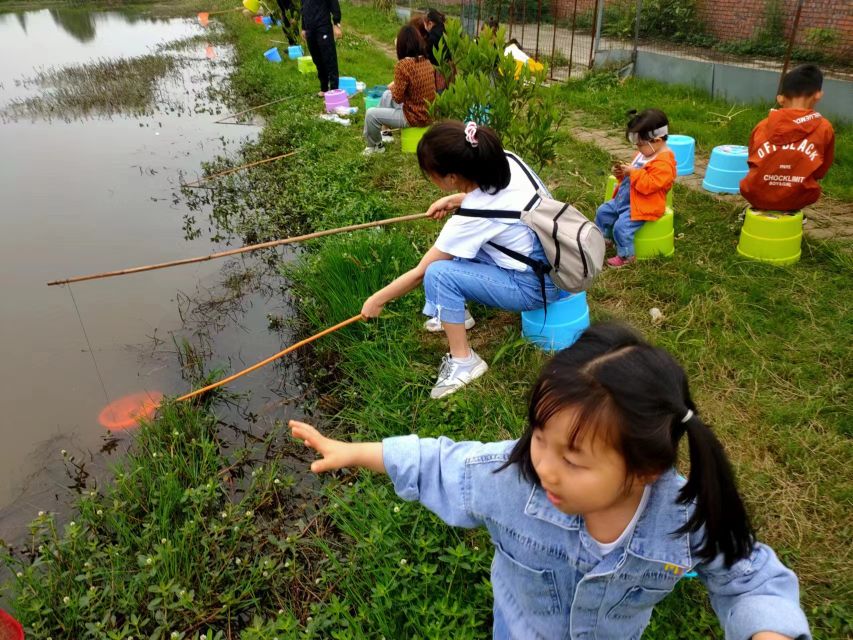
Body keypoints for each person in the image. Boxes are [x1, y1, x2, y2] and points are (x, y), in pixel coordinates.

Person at [289, 322, 811, 640]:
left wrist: (768, 628)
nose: (545, 466)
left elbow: (748, 578)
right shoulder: (509, 478)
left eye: (575, 459)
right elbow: (439, 463)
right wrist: (354, 451)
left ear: (645, 470)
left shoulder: (681, 517)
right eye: (540, 436)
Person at [361, 120, 562, 398]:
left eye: (431, 174)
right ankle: (455, 314)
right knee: (455, 249)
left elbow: (422, 272)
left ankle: (464, 361)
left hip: (535, 287)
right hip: (554, 258)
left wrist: (377, 300)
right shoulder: (507, 161)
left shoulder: (474, 216)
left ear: (452, 176)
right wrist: (458, 200)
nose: (430, 179)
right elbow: (501, 203)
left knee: (438, 273)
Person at [740, 64, 835, 213]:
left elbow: (751, 160)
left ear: (781, 99)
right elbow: (821, 171)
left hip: (755, 193)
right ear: (818, 95)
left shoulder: (762, 126)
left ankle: (760, 209)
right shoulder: (825, 128)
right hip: (798, 197)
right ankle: (791, 212)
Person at [595, 109, 676, 268]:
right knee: (603, 212)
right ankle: (604, 239)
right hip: (625, 200)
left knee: (622, 228)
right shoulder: (644, 154)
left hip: (643, 205)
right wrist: (622, 174)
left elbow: (650, 185)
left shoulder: (665, 163)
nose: (638, 148)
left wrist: (633, 172)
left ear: (657, 140)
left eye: (641, 144)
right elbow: (632, 178)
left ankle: (626, 256)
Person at [362, 25, 436, 155]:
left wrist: (394, 86)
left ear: (401, 45)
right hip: (427, 112)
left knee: (371, 114)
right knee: (385, 95)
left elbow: (397, 98)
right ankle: (385, 132)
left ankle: (375, 146)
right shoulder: (426, 61)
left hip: (414, 117)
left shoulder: (402, 65)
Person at [300, 0, 342, 95]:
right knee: (317, 59)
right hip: (309, 29)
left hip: (323, 27)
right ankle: (324, 88)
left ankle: (334, 90)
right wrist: (303, 27)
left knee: (329, 59)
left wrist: (336, 24)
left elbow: (334, 4)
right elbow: (303, 8)